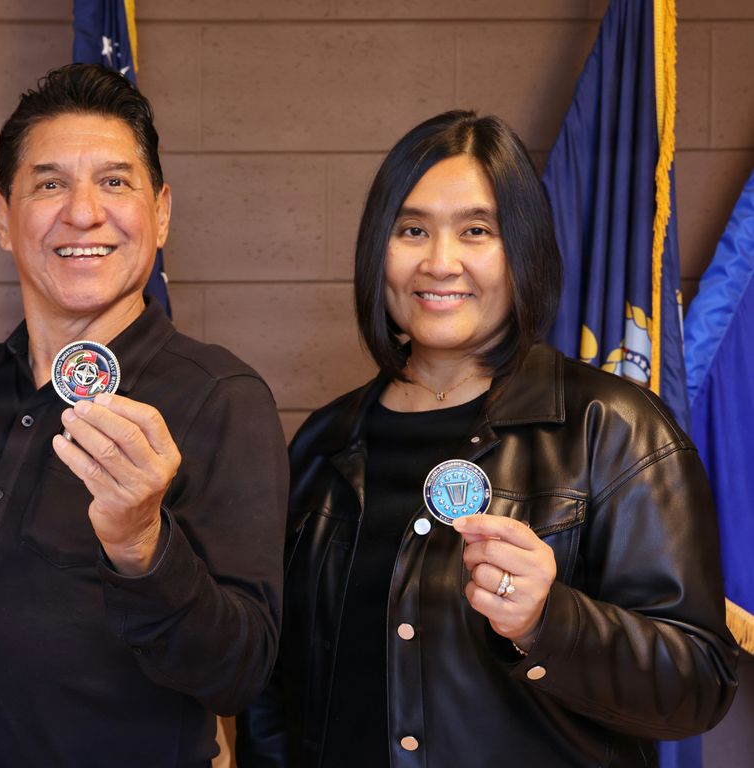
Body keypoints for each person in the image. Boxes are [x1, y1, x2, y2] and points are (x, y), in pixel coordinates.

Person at [235, 110, 740, 767]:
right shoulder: (324, 442)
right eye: (412, 229)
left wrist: (547, 623)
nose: (440, 262)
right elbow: (276, 693)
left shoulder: (612, 428)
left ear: (521, 250)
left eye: (477, 231)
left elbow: (698, 685)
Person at [0, 63, 287, 767]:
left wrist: (142, 546)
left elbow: (238, 672)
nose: (84, 212)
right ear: (4, 218)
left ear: (160, 212)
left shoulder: (220, 396)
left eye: (116, 181)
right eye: (50, 183)